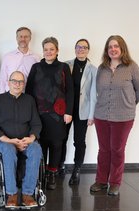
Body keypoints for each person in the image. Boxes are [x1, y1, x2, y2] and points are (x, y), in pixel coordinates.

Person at [90, 35, 139, 196]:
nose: (113, 49)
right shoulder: (102, 68)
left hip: (123, 117)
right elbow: (98, 90)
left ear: (122, 49)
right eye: (110, 47)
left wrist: (128, 104)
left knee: (117, 149)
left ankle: (114, 182)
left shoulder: (131, 67)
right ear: (107, 51)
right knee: (104, 149)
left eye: (116, 46)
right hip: (101, 115)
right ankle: (101, 180)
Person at [26, 37, 74, 190]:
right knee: (40, 144)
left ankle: (52, 173)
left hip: (58, 114)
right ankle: (40, 173)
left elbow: (70, 91)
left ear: (57, 50)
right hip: (38, 113)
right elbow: (28, 91)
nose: (48, 52)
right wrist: (29, 113)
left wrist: (68, 112)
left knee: (56, 143)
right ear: (43, 51)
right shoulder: (36, 67)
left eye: (51, 49)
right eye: (46, 49)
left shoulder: (64, 67)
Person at [0, 71, 42, 208]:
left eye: (20, 82)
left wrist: (30, 138)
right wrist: (9, 141)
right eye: (14, 81)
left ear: (24, 84)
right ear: (8, 82)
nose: (17, 84)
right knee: (8, 150)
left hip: (25, 141)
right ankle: (11, 193)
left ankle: (27, 194)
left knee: (36, 149)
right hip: (5, 142)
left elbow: (36, 124)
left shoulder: (29, 100)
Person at [59, 39, 97, 185]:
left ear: (88, 50)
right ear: (75, 49)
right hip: (66, 109)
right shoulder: (66, 65)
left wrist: (91, 115)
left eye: (84, 47)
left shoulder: (93, 69)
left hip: (83, 111)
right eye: (78, 47)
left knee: (79, 141)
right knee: (62, 138)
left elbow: (93, 94)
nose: (81, 49)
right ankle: (60, 165)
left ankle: (77, 169)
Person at [0, 27, 39, 94]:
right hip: (10, 96)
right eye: (20, 36)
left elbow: (38, 80)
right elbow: (2, 79)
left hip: (29, 96)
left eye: (26, 37)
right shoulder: (7, 57)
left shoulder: (36, 58)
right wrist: (0, 97)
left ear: (30, 38)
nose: (23, 39)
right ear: (17, 38)